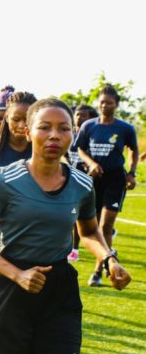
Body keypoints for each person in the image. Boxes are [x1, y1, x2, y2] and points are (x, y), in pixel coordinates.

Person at [0, 97, 131, 354]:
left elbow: (90, 231)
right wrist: (18, 275)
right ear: (28, 131)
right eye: (45, 127)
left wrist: (108, 258)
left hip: (60, 294)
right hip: (12, 293)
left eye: (64, 128)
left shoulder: (82, 184)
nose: (55, 135)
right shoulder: (5, 180)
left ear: (73, 133)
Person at [75, 84, 139, 286]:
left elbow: (134, 150)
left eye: (109, 103)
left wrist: (131, 173)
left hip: (115, 180)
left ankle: (98, 271)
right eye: (102, 102)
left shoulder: (125, 128)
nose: (104, 106)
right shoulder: (89, 126)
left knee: (105, 226)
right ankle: (100, 257)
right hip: (92, 180)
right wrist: (91, 163)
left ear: (116, 105)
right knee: (91, 225)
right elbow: (80, 149)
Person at [67, 104, 98, 262]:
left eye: (83, 115)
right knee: (71, 216)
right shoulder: (68, 133)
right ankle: (72, 248)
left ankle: (76, 249)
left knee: (81, 218)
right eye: (77, 114)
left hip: (85, 180)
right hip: (70, 179)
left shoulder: (91, 135)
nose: (79, 118)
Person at [0, 91, 37, 170]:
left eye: (27, 120)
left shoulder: (40, 150)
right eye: (16, 119)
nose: (22, 125)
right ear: (6, 117)